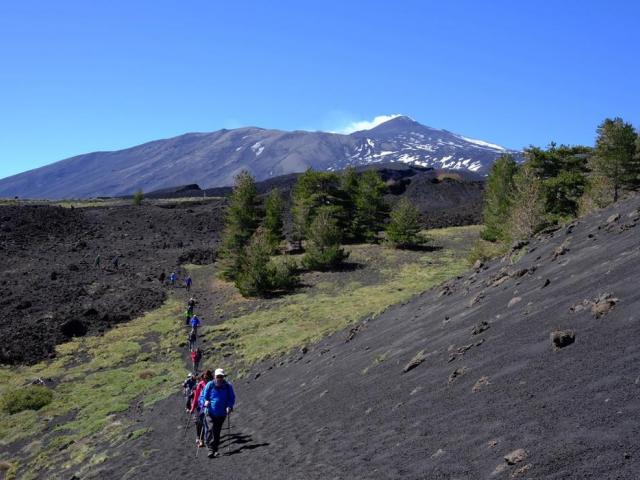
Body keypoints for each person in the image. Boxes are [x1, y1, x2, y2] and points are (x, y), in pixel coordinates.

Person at [201, 368, 235, 458]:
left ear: (223, 377)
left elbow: (231, 398)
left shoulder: (228, 386)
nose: (220, 378)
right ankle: (210, 449)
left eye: (221, 376)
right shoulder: (210, 385)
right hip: (210, 412)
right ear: (215, 377)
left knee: (217, 432)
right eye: (218, 376)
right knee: (210, 428)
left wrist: (229, 406)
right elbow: (203, 396)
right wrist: (205, 401)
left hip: (222, 414)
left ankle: (214, 449)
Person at [191, 370, 213, 448]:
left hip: (209, 406)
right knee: (199, 422)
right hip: (199, 406)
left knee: (206, 423)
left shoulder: (213, 384)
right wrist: (193, 408)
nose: (205, 379)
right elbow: (196, 397)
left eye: (207, 378)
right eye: (204, 378)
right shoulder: (200, 384)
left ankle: (204, 440)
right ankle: (200, 438)